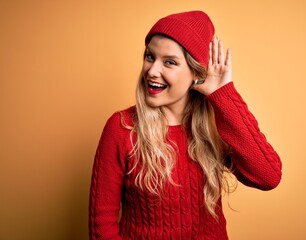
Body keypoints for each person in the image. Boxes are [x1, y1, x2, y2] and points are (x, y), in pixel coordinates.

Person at [89, 10, 282, 240]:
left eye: (169, 62)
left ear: (195, 72)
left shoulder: (214, 127)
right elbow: (102, 223)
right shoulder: (122, 128)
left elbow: (268, 176)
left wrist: (224, 95)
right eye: (150, 57)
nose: (152, 71)